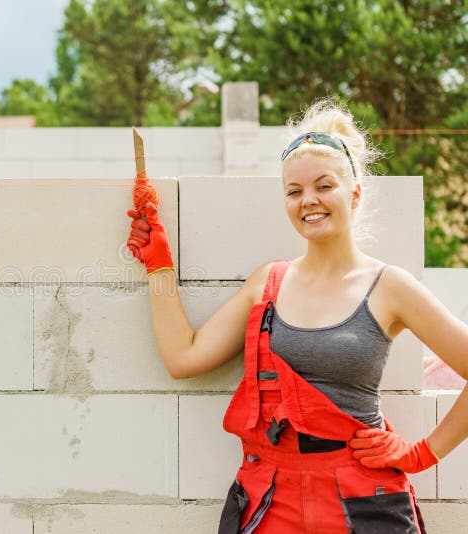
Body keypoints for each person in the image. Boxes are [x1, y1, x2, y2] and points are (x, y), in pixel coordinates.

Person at [126, 98, 468, 533]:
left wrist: (422, 454)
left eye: (324, 186)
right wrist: (158, 264)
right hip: (272, 496)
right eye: (294, 190)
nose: (309, 201)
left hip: (362, 501)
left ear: (355, 193)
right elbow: (182, 357)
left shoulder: (390, 287)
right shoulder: (267, 284)